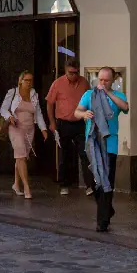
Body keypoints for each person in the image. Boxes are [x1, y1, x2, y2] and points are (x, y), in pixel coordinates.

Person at [75, 67, 129, 232]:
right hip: (92, 143)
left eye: (106, 80)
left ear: (112, 81)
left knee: (107, 181)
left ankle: (102, 221)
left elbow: (125, 107)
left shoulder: (118, 96)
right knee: (93, 181)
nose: (102, 83)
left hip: (109, 143)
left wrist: (108, 93)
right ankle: (108, 209)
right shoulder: (89, 95)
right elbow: (77, 111)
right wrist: (84, 115)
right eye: (100, 80)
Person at [0, 70, 47, 200]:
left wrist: (43, 129)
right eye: (27, 80)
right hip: (15, 127)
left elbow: (38, 114)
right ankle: (26, 187)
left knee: (22, 157)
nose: (29, 83)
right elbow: (3, 108)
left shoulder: (33, 95)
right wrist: (9, 117)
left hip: (29, 128)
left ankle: (16, 184)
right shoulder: (13, 93)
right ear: (20, 81)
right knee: (20, 155)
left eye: (31, 80)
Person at [46, 60, 90, 196]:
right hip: (63, 123)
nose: (73, 75)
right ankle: (64, 184)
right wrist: (52, 122)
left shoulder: (84, 83)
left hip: (80, 123)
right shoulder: (58, 83)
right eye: (70, 73)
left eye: (76, 72)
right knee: (64, 155)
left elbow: (89, 100)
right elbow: (49, 103)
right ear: (65, 71)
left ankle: (90, 185)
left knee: (84, 153)